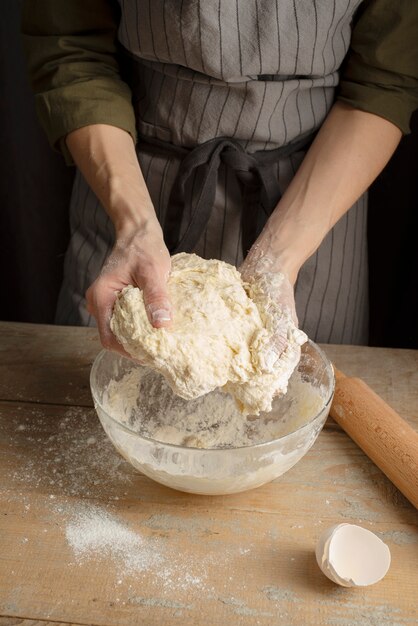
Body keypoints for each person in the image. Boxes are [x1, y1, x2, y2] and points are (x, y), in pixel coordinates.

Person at [22, 0, 417, 356]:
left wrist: (280, 258)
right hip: (132, 189)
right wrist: (135, 225)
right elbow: (72, 47)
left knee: (303, 414)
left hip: (316, 202)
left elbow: (385, 80)